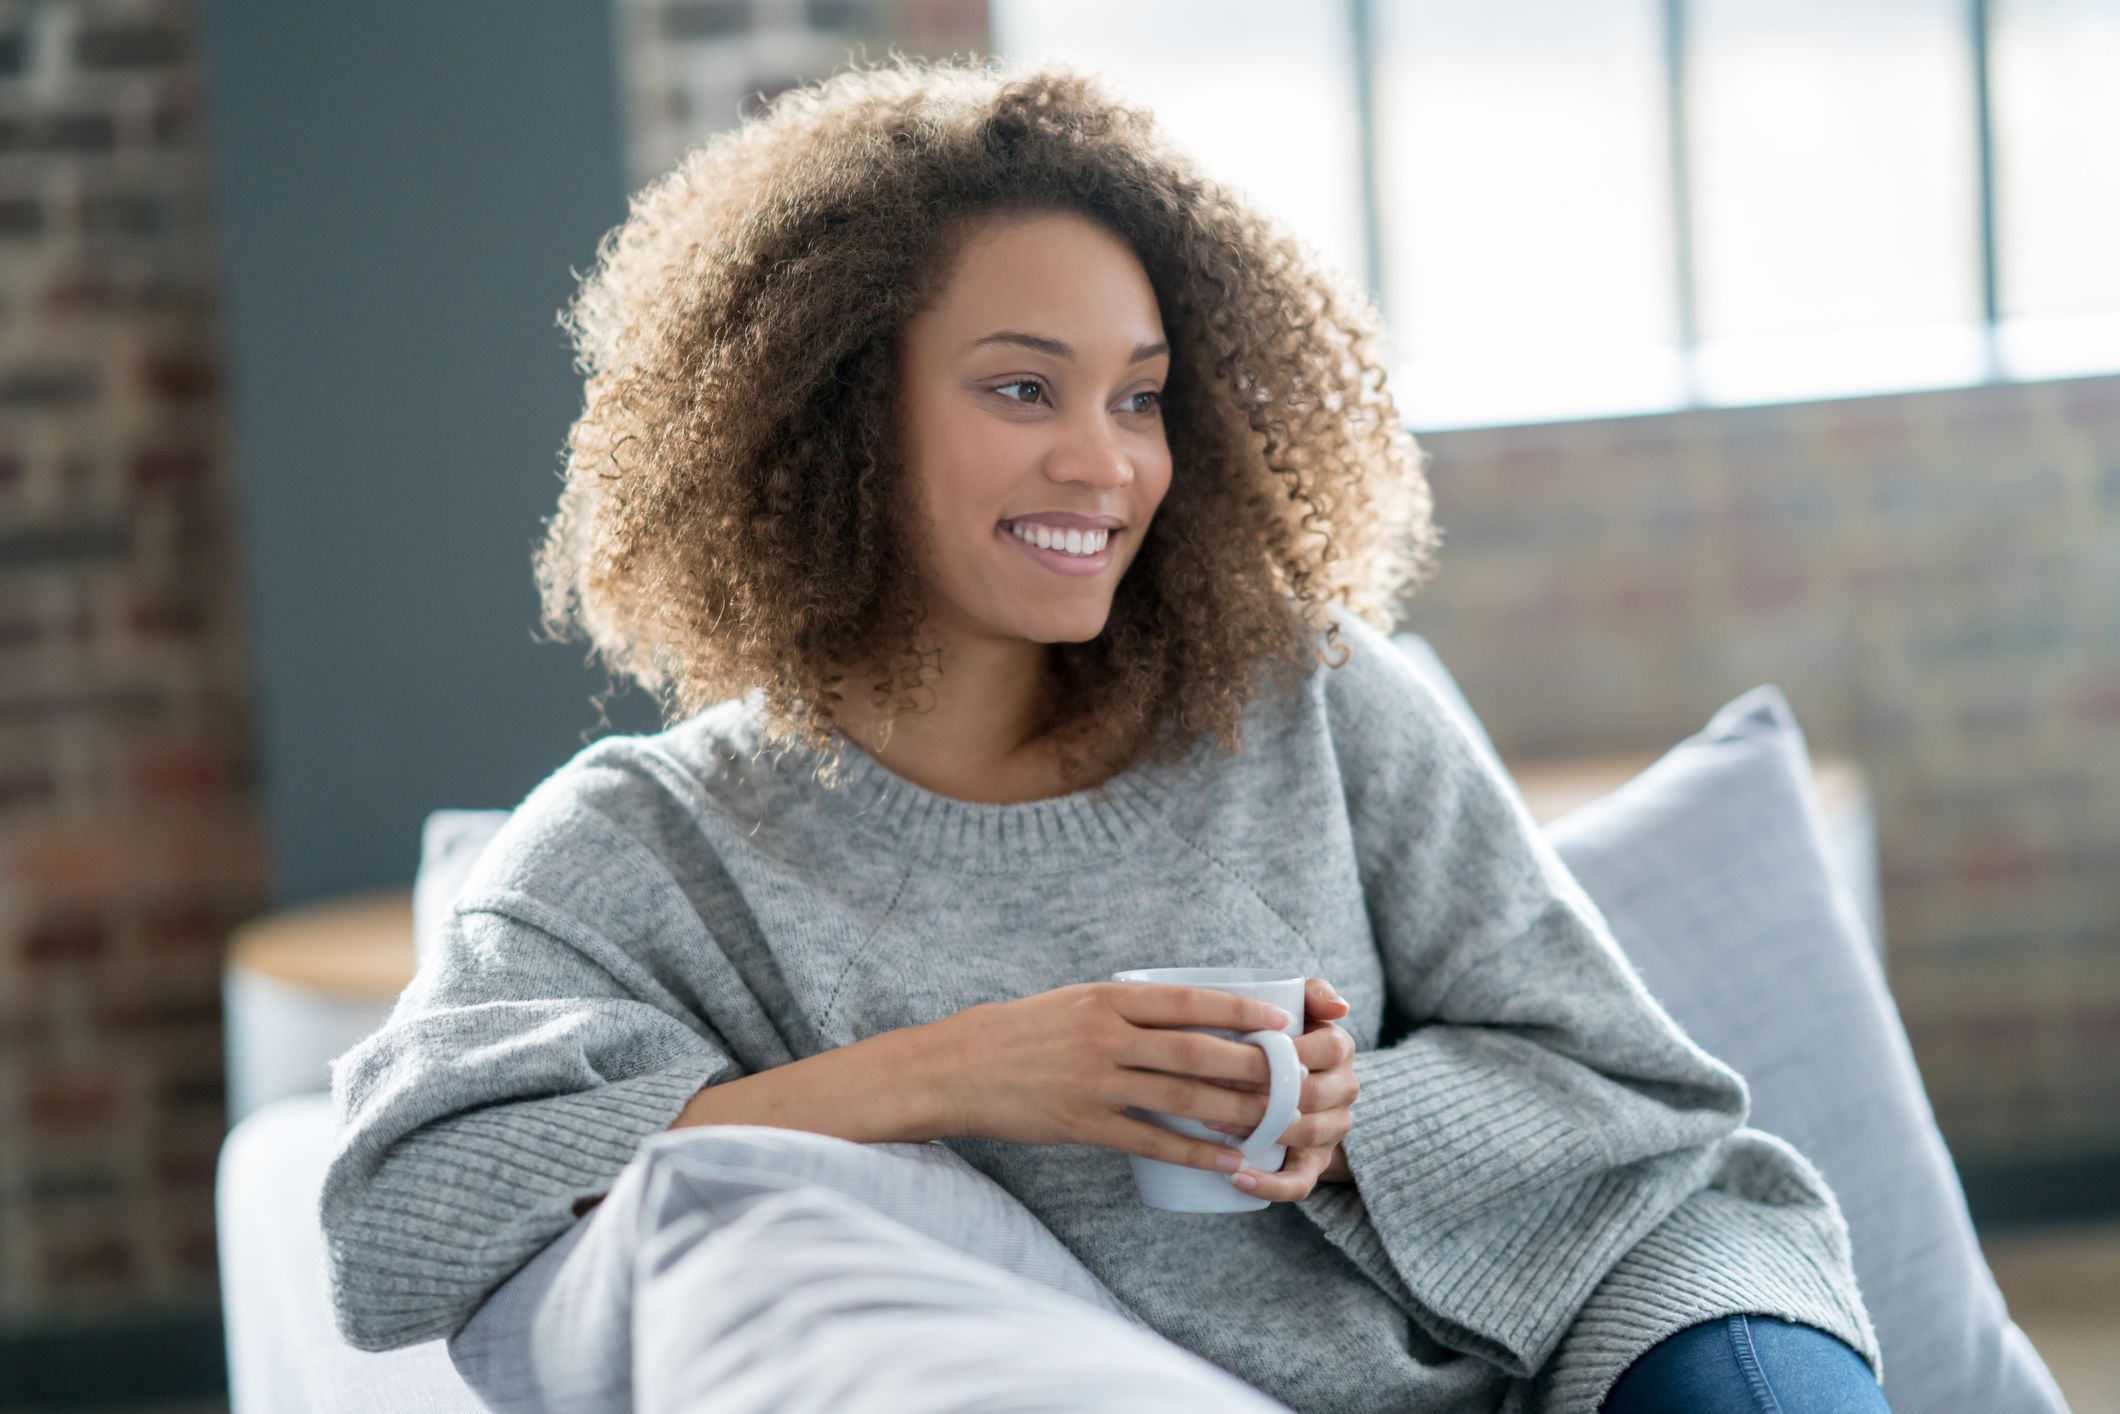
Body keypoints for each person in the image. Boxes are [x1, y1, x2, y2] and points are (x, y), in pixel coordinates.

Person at [319, 53, 1891, 1414]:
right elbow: (397, 1216)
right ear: (836, 416)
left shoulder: (1304, 693)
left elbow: (1642, 1107)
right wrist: (959, 1073)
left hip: (1621, 1310)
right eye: (1022, 389)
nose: (1105, 464)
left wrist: (1345, 1126)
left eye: (1139, 399)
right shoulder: (648, 845)